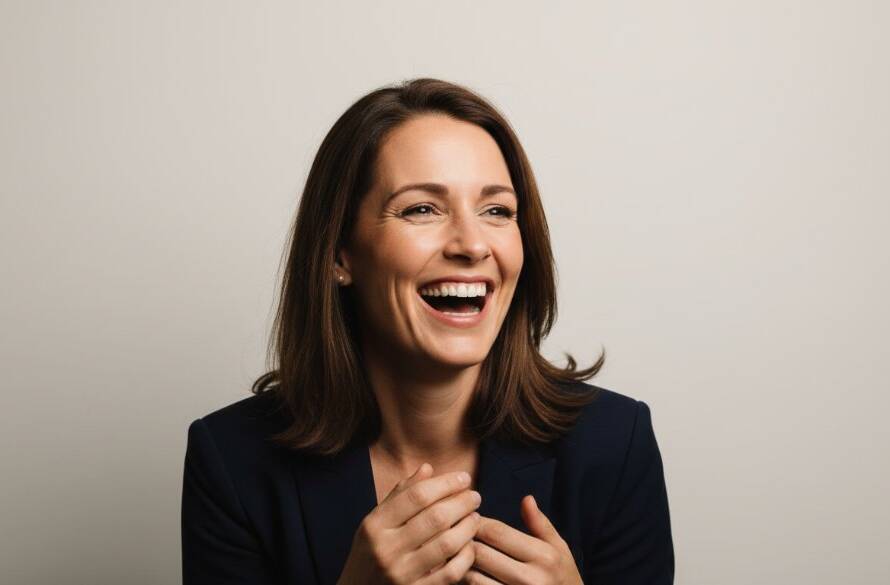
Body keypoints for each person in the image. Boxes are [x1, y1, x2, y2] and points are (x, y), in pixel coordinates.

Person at [181, 77, 674, 584]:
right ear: (339, 254)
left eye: (497, 211)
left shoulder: (616, 444)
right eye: (422, 209)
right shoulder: (231, 459)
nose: (472, 245)